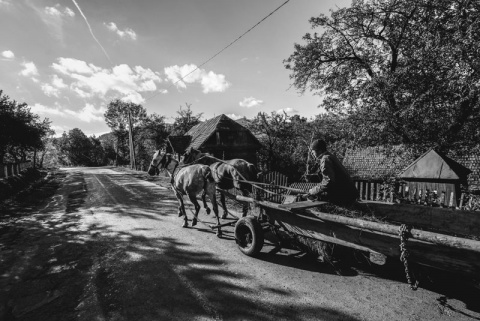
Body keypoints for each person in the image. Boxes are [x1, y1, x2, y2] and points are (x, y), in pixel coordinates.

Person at [303, 139, 359, 206]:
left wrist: (312, 191)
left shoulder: (325, 159)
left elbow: (328, 182)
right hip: (350, 193)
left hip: (345, 196)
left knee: (311, 197)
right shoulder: (330, 156)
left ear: (319, 150)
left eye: (313, 151)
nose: (312, 153)